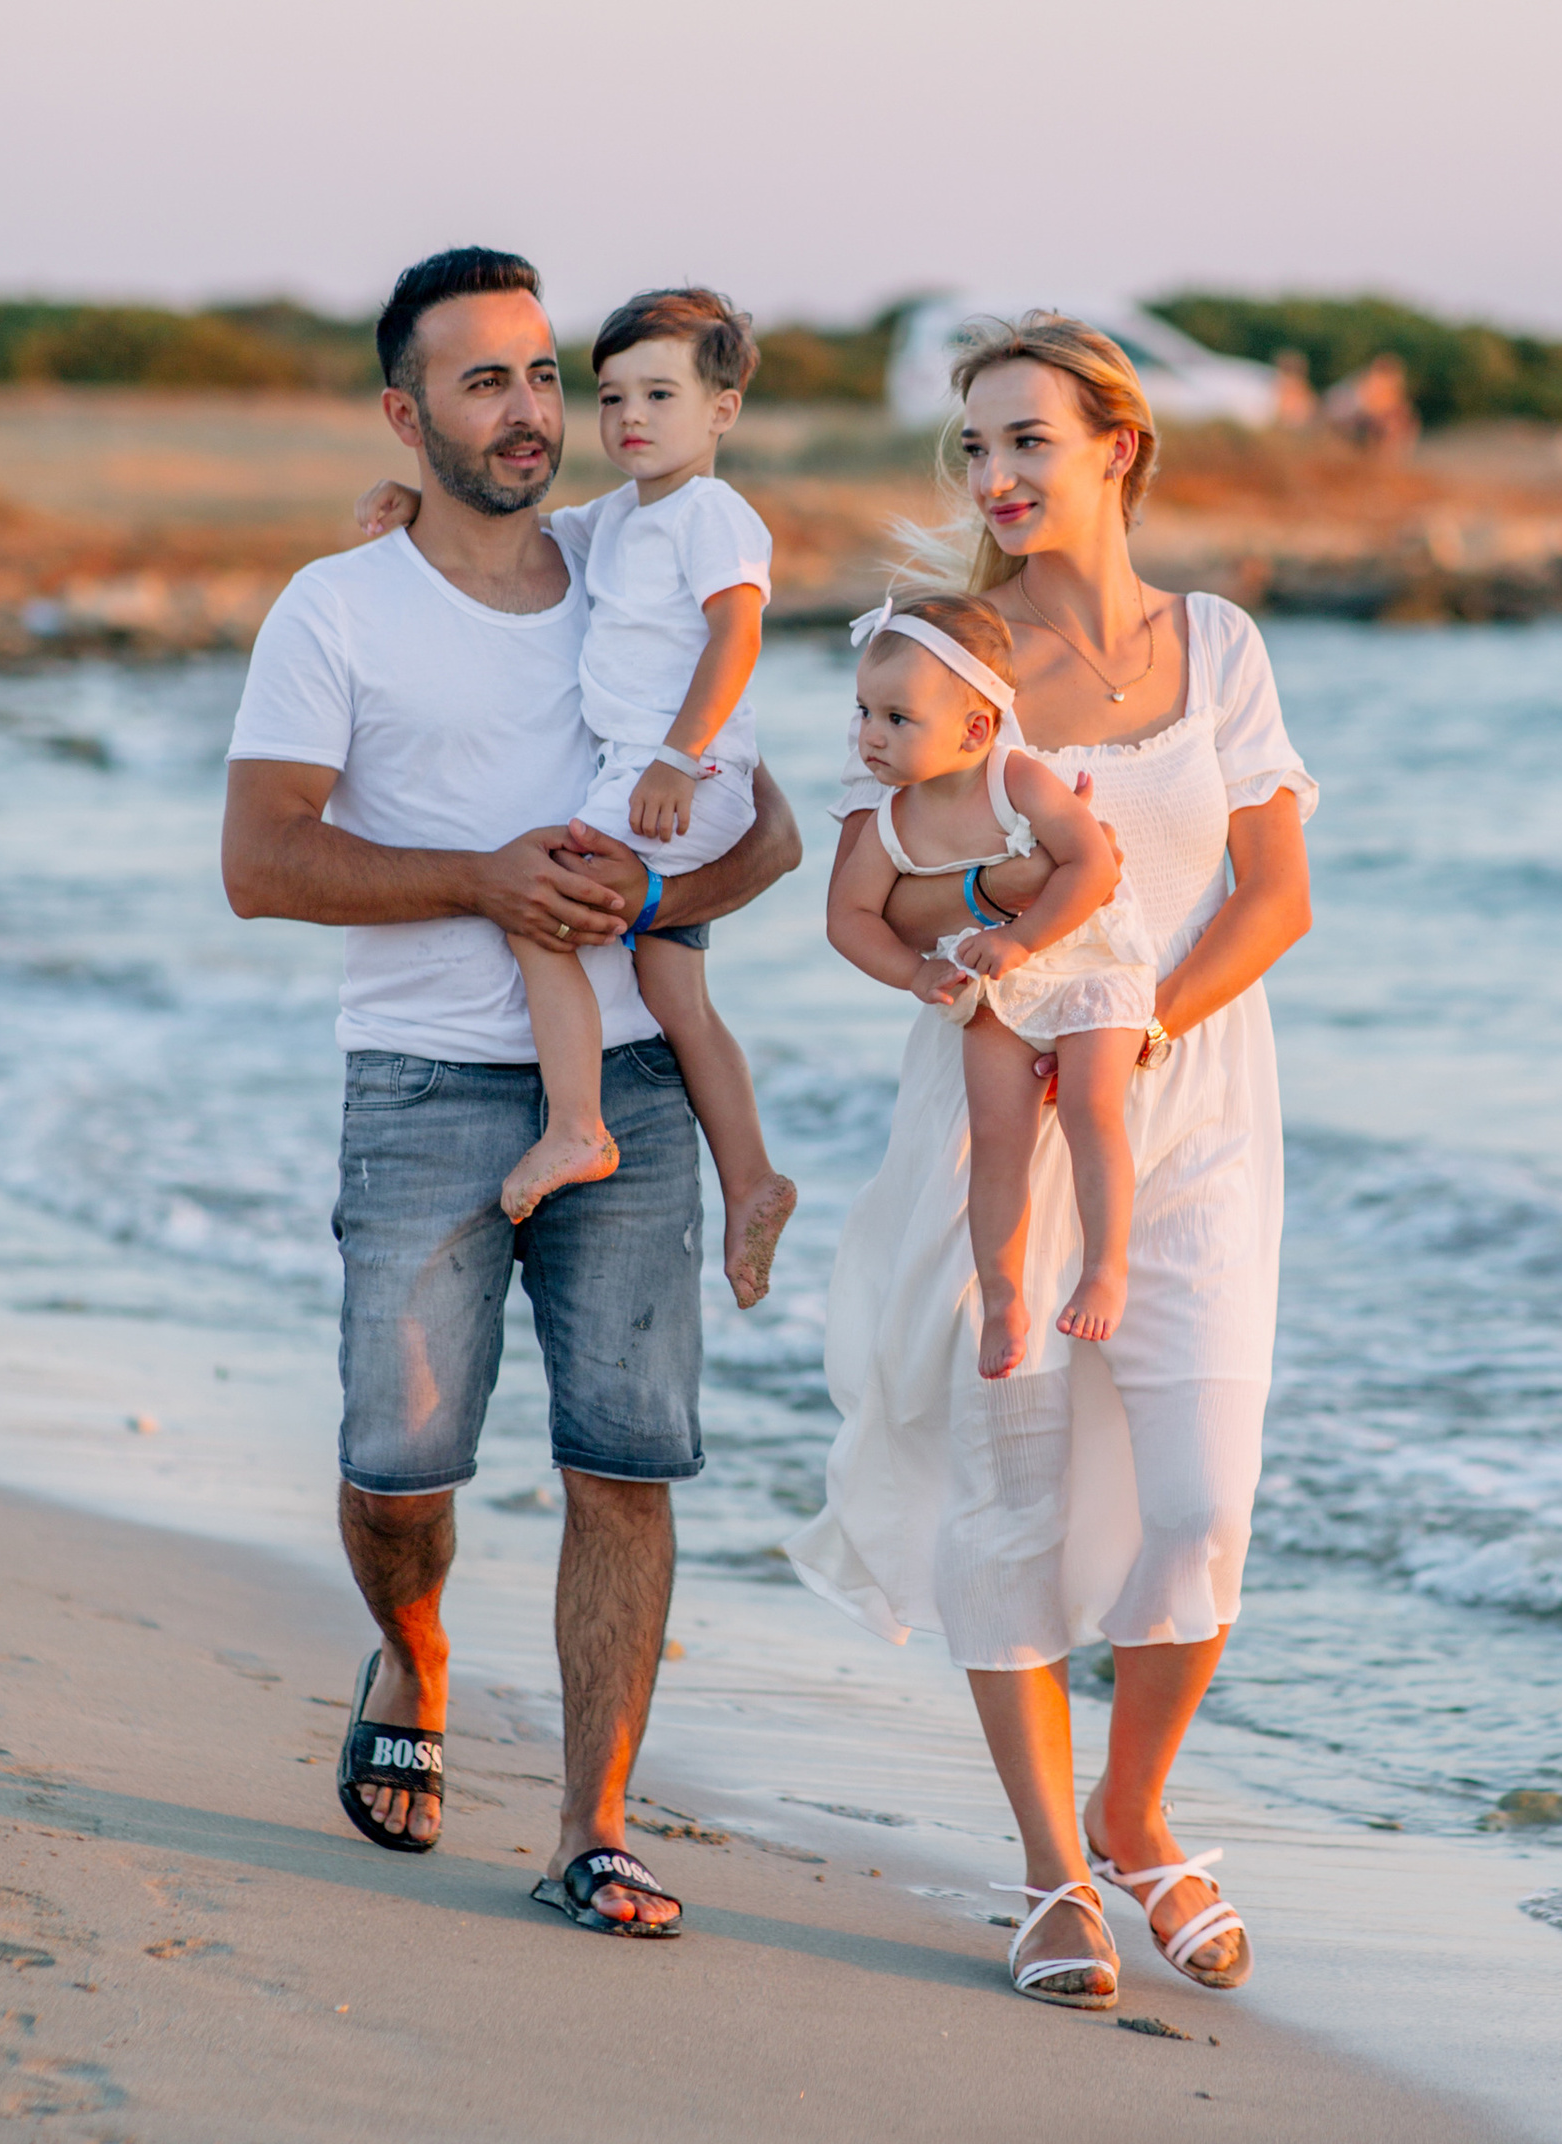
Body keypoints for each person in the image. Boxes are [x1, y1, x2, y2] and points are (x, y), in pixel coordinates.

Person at [220, 246, 800, 1938]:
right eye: (487, 381)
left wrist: (655, 897)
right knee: (400, 1462)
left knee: (629, 1461)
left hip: (629, 1082)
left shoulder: (643, 554)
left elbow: (758, 834)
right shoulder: (338, 606)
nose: (535, 409)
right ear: (409, 413)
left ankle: (595, 1826)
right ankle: (411, 1652)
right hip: (418, 1081)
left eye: (548, 374)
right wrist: (482, 879)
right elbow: (262, 860)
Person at [788, 312, 1316, 2010]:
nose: (1000, 477)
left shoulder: (1218, 646)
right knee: (1010, 1496)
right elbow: (876, 890)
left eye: (1031, 440)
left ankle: (1137, 1806)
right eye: (977, 447)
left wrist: (1144, 1026)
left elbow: (1276, 895)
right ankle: (1055, 1876)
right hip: (1001, 1111)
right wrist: (1011, 925)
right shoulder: (950, 658)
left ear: (1120, 450)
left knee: (1202, 1503)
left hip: (1197, 1108)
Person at [357, 286, 797, 1304]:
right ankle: (753, 1178)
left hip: (678, 782)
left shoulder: (713, 515)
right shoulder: (624, 516)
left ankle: (576, 1124)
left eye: (658, 394)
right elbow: (533, 528)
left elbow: (738, 636)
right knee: (675, 993)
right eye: (608, 398)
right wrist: (416, 502)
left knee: (540, 903)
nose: (628, 418)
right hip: (664, 781)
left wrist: (677, 760)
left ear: (721, 410)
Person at [824, 591, 1156, 1380]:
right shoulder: (890, 821)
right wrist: (915, 971)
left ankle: (1105, 1268)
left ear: (975, 729)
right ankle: (1005, 1298)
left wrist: (1022, 937)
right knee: (996, 1135)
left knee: (1088, 1104)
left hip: (1085, 957)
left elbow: (1094, 866)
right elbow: (849, 918)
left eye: (897, 719)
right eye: (864, 711)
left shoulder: (1018, 780)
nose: (871, 735)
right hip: (989, 982)